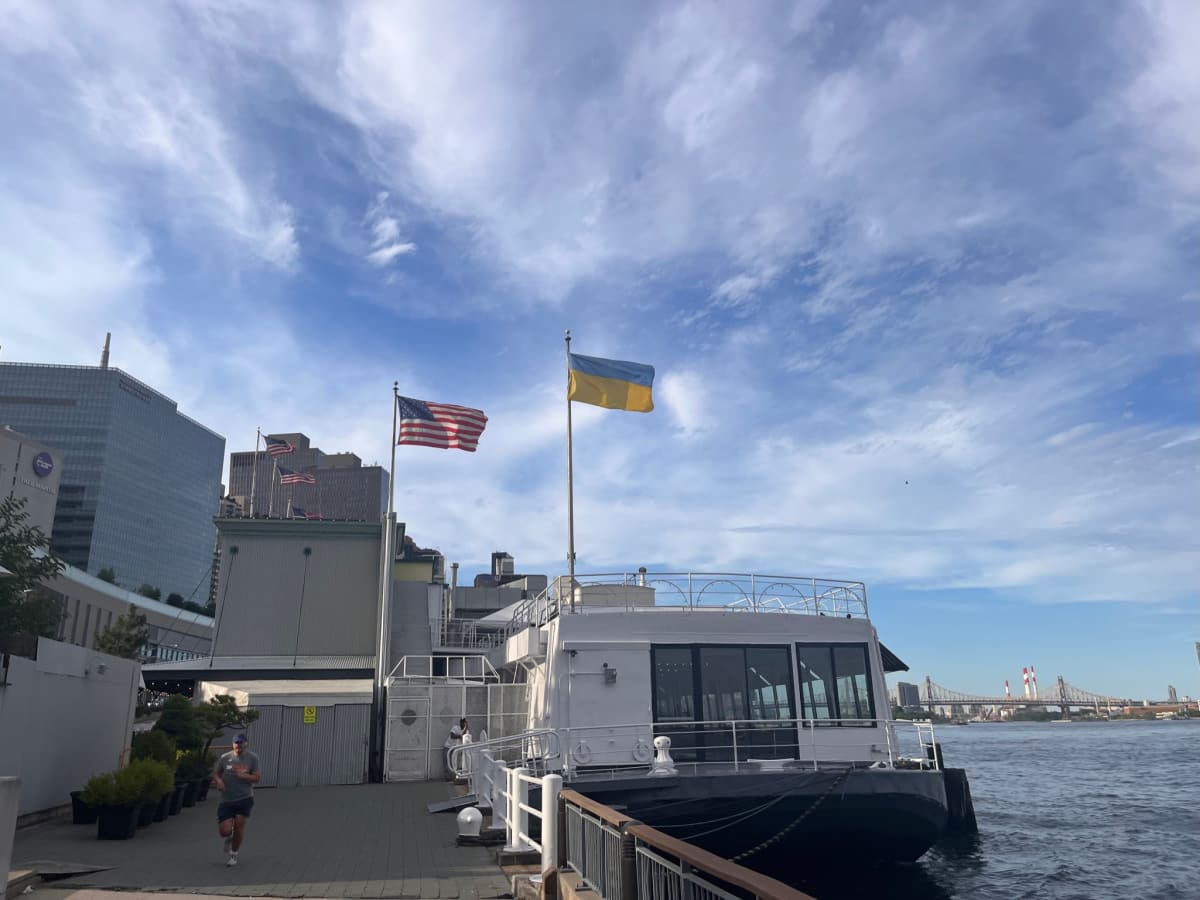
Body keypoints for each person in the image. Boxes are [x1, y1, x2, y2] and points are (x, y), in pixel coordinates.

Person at [212, 733, 261, 867]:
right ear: (233, 744)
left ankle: (233, 854)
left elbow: (257, 778)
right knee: (224, 831)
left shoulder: (252, 758)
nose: (238, 746)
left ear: (246, 744)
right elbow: (216, 774)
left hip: (245, 798)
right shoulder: (225, 758)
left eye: (241, 743)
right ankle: (229, 837)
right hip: (227, 799)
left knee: (239, 827)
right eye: (236, 743)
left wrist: (245, 776)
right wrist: (219, 781)